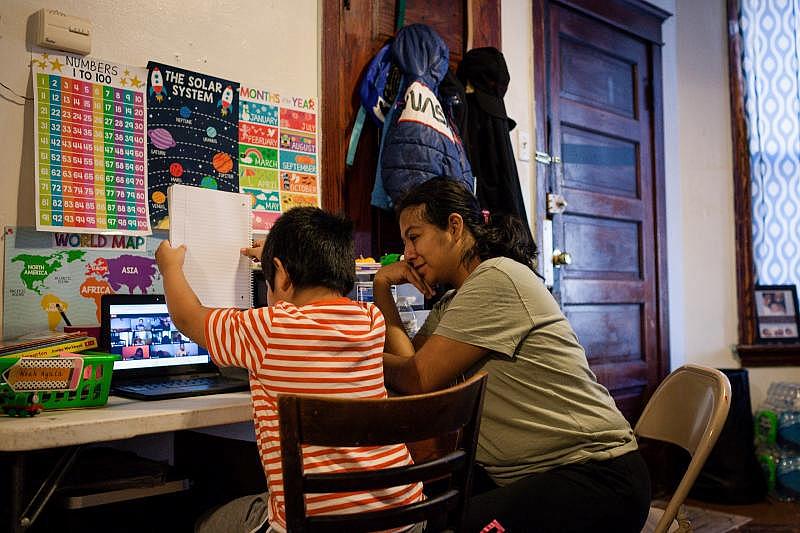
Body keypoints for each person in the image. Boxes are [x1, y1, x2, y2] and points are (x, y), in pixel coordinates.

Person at [373, 177, 651, 533]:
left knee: (434, 526)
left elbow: (417, 378)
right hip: (531, 476)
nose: (408, 253)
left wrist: (362, 362)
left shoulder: (496, 278)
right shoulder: (455, 299)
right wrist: (382, 285)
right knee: (414, 511)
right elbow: (411, 361)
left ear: (454, 227)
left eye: (414, 237)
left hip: (595, 475)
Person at [155, 207, 423, 533]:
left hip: (314, 525)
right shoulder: (371, 320)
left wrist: (169, 268)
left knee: (206, 524)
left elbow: (187, 317)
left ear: (281, 276)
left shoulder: (269, 327)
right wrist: (275, 260)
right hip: (405, 517)